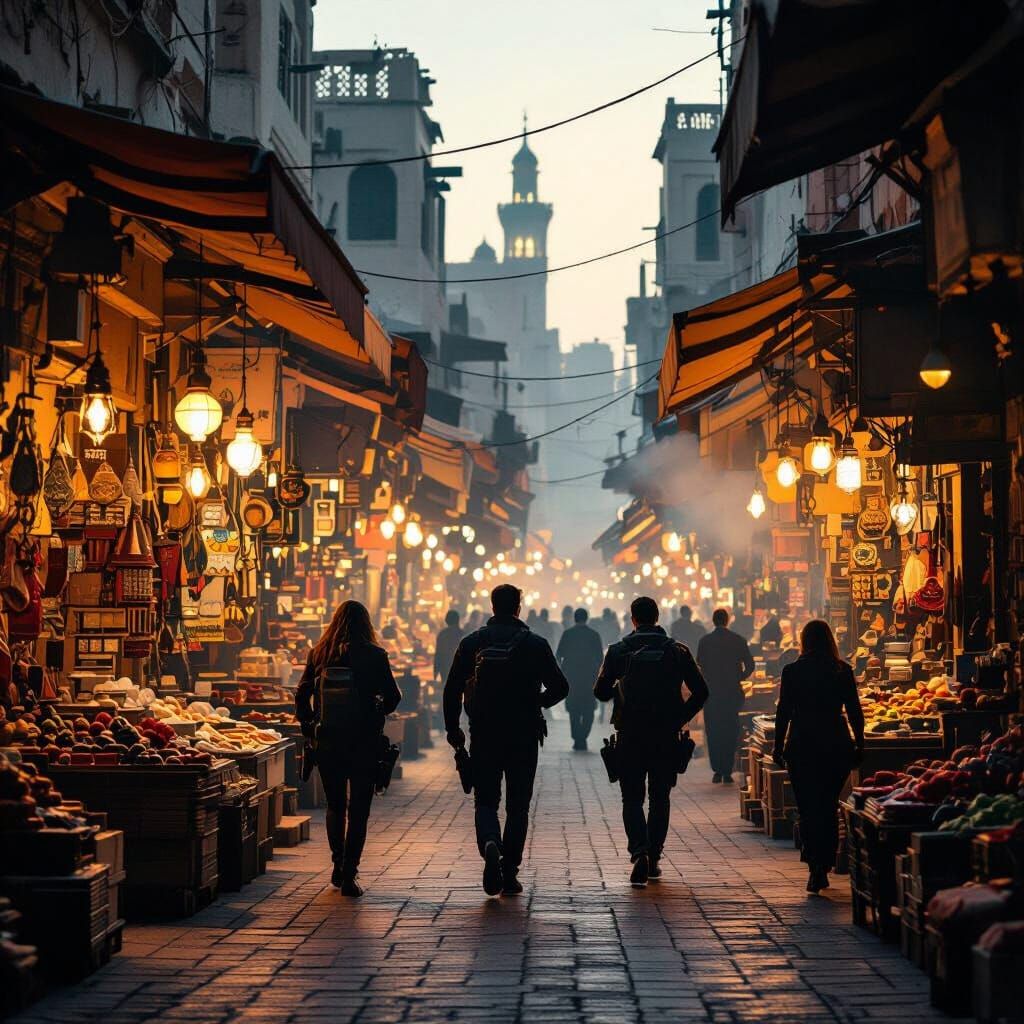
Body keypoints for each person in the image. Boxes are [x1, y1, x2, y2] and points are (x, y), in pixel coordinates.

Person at [444, 584, 569, 897]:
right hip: (524, 733)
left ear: (492, 606)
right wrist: (535, 702)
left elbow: (451, 689)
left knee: (486, 799)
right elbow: (560, 687)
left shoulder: (472, 642)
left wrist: (453, 729)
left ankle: (489, 842)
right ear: (518, 608)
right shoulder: (535, 644)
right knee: (518, 804)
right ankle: (509, 870)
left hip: (483, 731)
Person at [595, 596, 708, 887]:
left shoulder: (619, 650)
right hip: (665, 736)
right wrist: (679, 718)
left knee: (631, 798)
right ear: (657, 617)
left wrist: (618, 688)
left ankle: (639, 851)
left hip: (630, 734)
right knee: (660, 797)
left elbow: (600, 691)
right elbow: (701, 692)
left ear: (633, 619)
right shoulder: (677, 651)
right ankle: (654, 855)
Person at [295, 600, 402, 897]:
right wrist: (376, 708)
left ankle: (337, 863)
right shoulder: (375, 655)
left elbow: (301, 696)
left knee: (335, 805)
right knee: (359, 811)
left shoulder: (319, 654)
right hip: (365, 741)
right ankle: (351, 872)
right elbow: (393, 697)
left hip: (328, 741)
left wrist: (311, 726)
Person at [772, 620, 865, 893]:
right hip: (836, 743)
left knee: (808, 808)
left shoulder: (792, 672)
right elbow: (854, 711)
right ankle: (825, 861)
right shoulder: (842, 671)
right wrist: (860, 743)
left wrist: (778, 746)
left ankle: (815, 865)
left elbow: (784, 713)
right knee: (828, 804)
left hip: (802, 744)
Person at [696, 608, 754, 784]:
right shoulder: (738, 640)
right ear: (727, 620)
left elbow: (699, 664)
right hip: (732, 693)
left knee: (714, 731)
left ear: (713, 621)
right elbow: (750, 665)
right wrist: (739, 677)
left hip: (712, 693)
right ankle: (728, 770)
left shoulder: (705, 641)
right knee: (730, 729)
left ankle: (717, 770)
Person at [556, 608, 605, 751]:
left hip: (571, 677)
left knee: (574, 709)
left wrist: (563, 671)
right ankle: (582, 736)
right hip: (589, 678)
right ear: (587, 618)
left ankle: (577, 737)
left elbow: (559, 655)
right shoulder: (594, 635)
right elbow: (600, 658)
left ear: (574, 618)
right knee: (589, 708)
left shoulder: (568, 634)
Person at [434, 609, 463, 684]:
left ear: (446, 621)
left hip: (445, 669)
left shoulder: (442, 635)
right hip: (459, 668)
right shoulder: (462, 634)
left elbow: (438, 654)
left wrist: (435, 672)